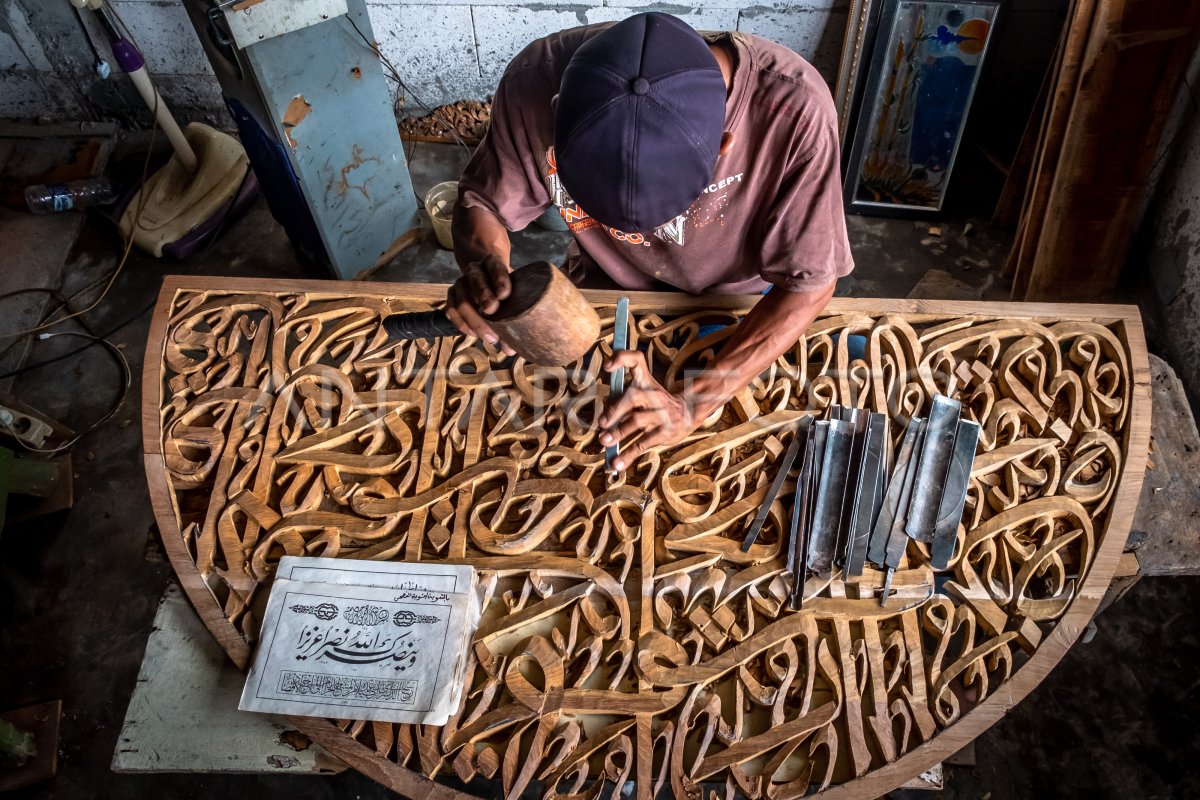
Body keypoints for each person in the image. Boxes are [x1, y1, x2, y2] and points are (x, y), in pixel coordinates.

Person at [446, 12, 853, 471]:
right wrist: (484, 263)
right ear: (558, 113)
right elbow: (481, 204)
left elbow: (810, 283)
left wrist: (694, 404)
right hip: (600, 295)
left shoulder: (794, 110)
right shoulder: (533, 84)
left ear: (721, 145)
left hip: (735, 306)